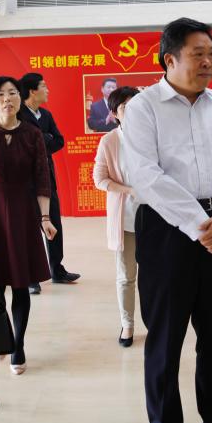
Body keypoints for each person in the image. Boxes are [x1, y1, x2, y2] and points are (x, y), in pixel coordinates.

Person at [123, 17, 212, 423]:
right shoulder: (144, 107)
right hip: (167, 232)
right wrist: (202, 225)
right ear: (170, 59)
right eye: (198, 54)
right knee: (165, 337)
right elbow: (146, 176)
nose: (208, 62)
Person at [0, 76, 57, 375]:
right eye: (0, 94)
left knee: (21, 285)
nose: (7, 99)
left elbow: (42, 178)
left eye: (12, 93)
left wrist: (45, 218)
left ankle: (17, 345)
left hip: (23, 214)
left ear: (20, 99)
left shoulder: (32, 134)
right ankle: (1, 336)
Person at [18, 72, 79, 293]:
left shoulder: (46, 114)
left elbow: (59, 141)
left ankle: (57, 269)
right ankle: (30, 276)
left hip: (46, 177)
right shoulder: (18, 114)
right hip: (24, 180)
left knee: (54, 223)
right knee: (28, 228)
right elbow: (24, 143)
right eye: (44, 86)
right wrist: (44, 138)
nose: (48, 90)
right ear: (32, 91)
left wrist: (41, 139)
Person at [92, 85, 141, 347]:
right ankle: (128, 324)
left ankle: (155, 322)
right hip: (126, 219)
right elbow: (100, 179)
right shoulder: (110, 141)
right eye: (124, 107)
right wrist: (129, 190)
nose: (131, 112)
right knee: (126, 276)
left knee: (156, 276)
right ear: (115, 113)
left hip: (156, 220)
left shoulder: (153, 136)